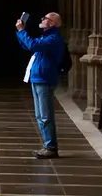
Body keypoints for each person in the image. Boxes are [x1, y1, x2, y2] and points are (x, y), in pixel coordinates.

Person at [16, 12, 65, 159]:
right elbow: (27, 45)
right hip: (37, 78)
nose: (42, 19)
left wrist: (21, 31)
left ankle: (51, 147)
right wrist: (20, 32)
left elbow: (32, 45)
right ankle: (47, 145)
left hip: (44, 79)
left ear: (52, 24)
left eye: (45, 18)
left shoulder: (53, 38)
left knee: (45, 115)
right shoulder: (46, 37)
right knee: (40, 115)